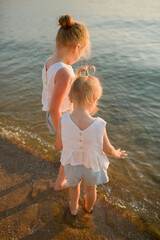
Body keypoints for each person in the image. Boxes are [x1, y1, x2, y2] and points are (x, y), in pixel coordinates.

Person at [54, 65, 127, 216]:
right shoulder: (99, 124)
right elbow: (107, 149)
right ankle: (88, 207)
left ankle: (73, 209)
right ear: (94, 100)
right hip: (91, 166)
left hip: (72, 165)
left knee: (73, 187)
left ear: (70, 98)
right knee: (91, 188)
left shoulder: (64, 120)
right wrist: (117, 153)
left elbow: (58, 146)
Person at [41, 15, 90, 191]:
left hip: (53, 117)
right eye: (81, 52)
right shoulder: (65, 73)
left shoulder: (50, 62)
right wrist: (61, 135)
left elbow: (52, 97)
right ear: (76, 48)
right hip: (62, 120)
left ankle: (64, 165)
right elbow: (56, 109)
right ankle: (60, 183)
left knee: (69, 150)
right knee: (71, 152)